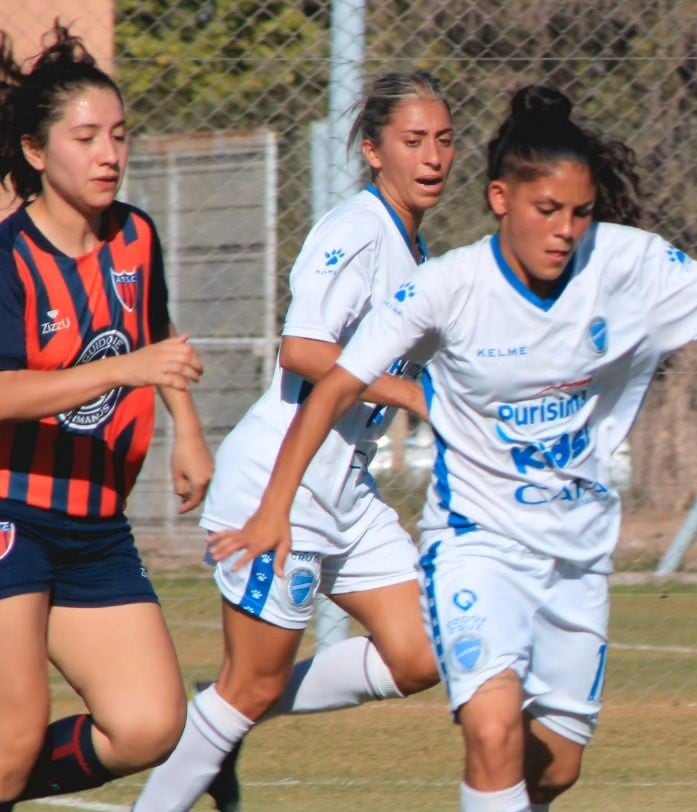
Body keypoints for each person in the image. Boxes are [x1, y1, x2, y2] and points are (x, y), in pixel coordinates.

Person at [208, 85, 697, 811]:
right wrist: (275, 506)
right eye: (547, 210)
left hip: (575, 555)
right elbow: (333, 380)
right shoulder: (450, 283)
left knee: (555, 767)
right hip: (476, 543)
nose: (565, 229)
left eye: (580, 213)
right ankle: (230, 720)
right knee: (492, 729)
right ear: (501, 199)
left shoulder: (628, 265)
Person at [134, 72, 456, 811]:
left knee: (422, 654)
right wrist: (410, 393)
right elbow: (304, 352)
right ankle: (211, 730)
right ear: (374, 152)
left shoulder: (420, 252)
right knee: (252, 685)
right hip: (282, 482)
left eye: (443, 140)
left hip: (346, 491)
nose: (432, 156)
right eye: (413, 142)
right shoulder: (356, 231)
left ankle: (215, 717)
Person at [0, 23, 214, 810]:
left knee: (150, 724)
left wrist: (186, 429)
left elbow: (156, 333)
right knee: (13, 740)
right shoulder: (10, 259)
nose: (109, 154)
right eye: (86, 137)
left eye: (118, 136)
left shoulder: (136, 235)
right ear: (34, 152)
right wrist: (120, 371)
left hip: (96, 526)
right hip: (11, 515)